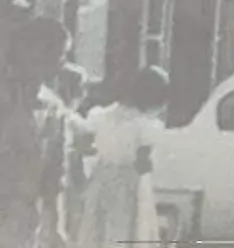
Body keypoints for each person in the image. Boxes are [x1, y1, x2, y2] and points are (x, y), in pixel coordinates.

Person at [0, 15, 75, 248]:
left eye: (62, 55)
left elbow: (54, 173)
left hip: (21, 220)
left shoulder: (53, 108)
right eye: (56, 55)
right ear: (30, 52)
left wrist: (56, 226)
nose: (61, 63)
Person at [73, 66, 167, 248]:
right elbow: (143, 164)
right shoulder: (146, 125)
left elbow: (84, 146)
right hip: (129, 184)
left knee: (98, 232)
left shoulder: (100, 115)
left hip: (101, 180)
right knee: (128, 232)